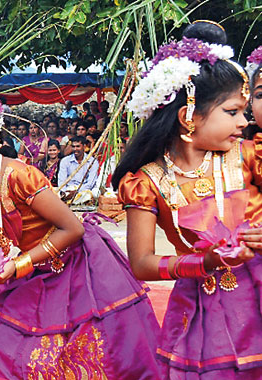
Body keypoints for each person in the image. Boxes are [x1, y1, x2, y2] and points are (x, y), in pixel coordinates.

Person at [0, 82, 160, 379]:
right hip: (32, 272)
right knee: (2, 336)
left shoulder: (19, 176)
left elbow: (73, 227)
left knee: (85, 353)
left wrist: (19, 264)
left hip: (77, 267)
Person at [115, 22, 262, 379]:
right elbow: (142, 263)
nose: (245, 121)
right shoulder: (146, 182)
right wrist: (202, 262)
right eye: (232, 112)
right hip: (202, 311)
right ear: (188, 117)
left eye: (244, 111)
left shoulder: (249, 156)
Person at [58, 136, 100, 203]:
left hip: (84, 190)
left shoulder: (92, 161)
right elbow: (61, 181)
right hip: (69, 189)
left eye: (78, 146)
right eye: (73, 146)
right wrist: (65, 192)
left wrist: (76, 192)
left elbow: (91, 183)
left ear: (84, 146)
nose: (75, 149)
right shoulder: (65, 161)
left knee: (93, 194)